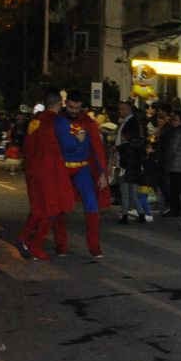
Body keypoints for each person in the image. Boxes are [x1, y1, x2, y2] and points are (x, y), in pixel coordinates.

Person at [52, 93, 111, 255]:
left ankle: (94, 246)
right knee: (58, 206)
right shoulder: (57, 120)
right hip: (62, 168)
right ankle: (60, 245)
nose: (74, 110)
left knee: (91, 205)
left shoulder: (88, 123)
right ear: (66, 103)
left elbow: (97, 149)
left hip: (82, 167)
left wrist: (101, 173)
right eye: (71, 106)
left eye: (77, 107)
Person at [17, 91, 73, 260]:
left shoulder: (35, 121)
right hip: (50, 169)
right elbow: (68, 144)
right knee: (52, 208)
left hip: (34, 169)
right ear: (60, 103)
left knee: (40, 208)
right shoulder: (56, 121)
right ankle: (35, 243)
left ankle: (25, 239)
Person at [114, 101, 151, 223]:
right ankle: (140, 214)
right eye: (119, 109)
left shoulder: (131, 124)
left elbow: (126, 142)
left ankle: (125, 215)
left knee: (125, 190)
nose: (120, 111)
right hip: (132, 162)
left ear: (129, 110)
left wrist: (119, 149)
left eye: (122, 109)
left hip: (127, 162)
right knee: (131, 191)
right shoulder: (131, 123)